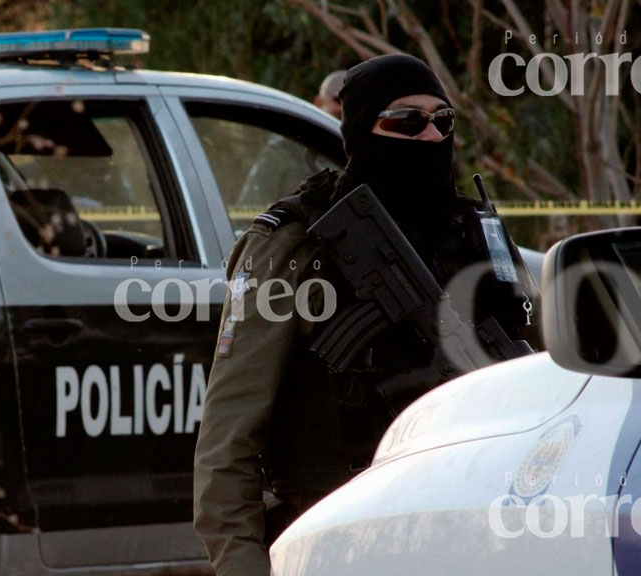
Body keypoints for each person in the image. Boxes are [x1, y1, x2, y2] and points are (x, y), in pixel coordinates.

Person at [193, 54, 542, 576]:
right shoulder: (294, 244)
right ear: (361, 129)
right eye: (406, 121)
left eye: (442, 121)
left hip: (473, 536)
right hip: (337, 537)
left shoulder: (479, 234)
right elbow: (228, 440)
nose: (429, 137)